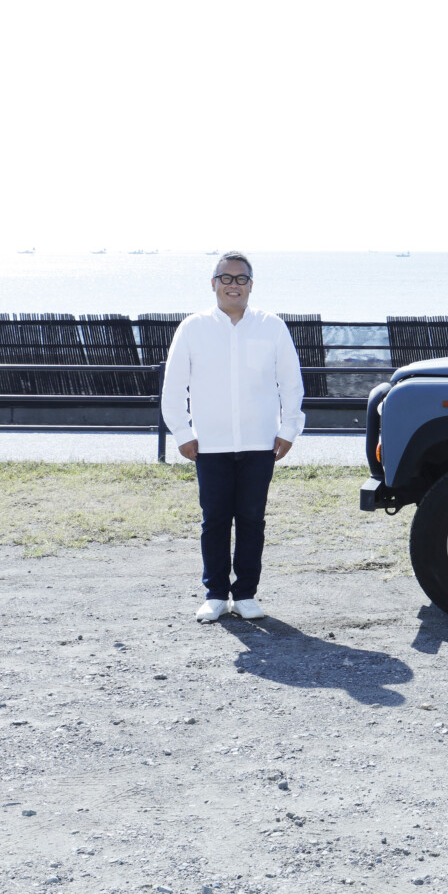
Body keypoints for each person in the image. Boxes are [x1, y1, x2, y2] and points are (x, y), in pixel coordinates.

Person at [161, 252, 305, 624]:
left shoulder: (271, 327)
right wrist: (183, 433)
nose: (233, 285)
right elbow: (174, 387)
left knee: (252, 520)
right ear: (213, 283)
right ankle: (215, 594)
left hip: (260, 441)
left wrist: (289, 429)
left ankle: (245, 595)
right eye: (226, 278)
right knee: (215, 520)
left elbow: (291, 383)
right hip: (210, 443)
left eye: (241, 279)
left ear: (251, 285)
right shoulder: (192, 328)